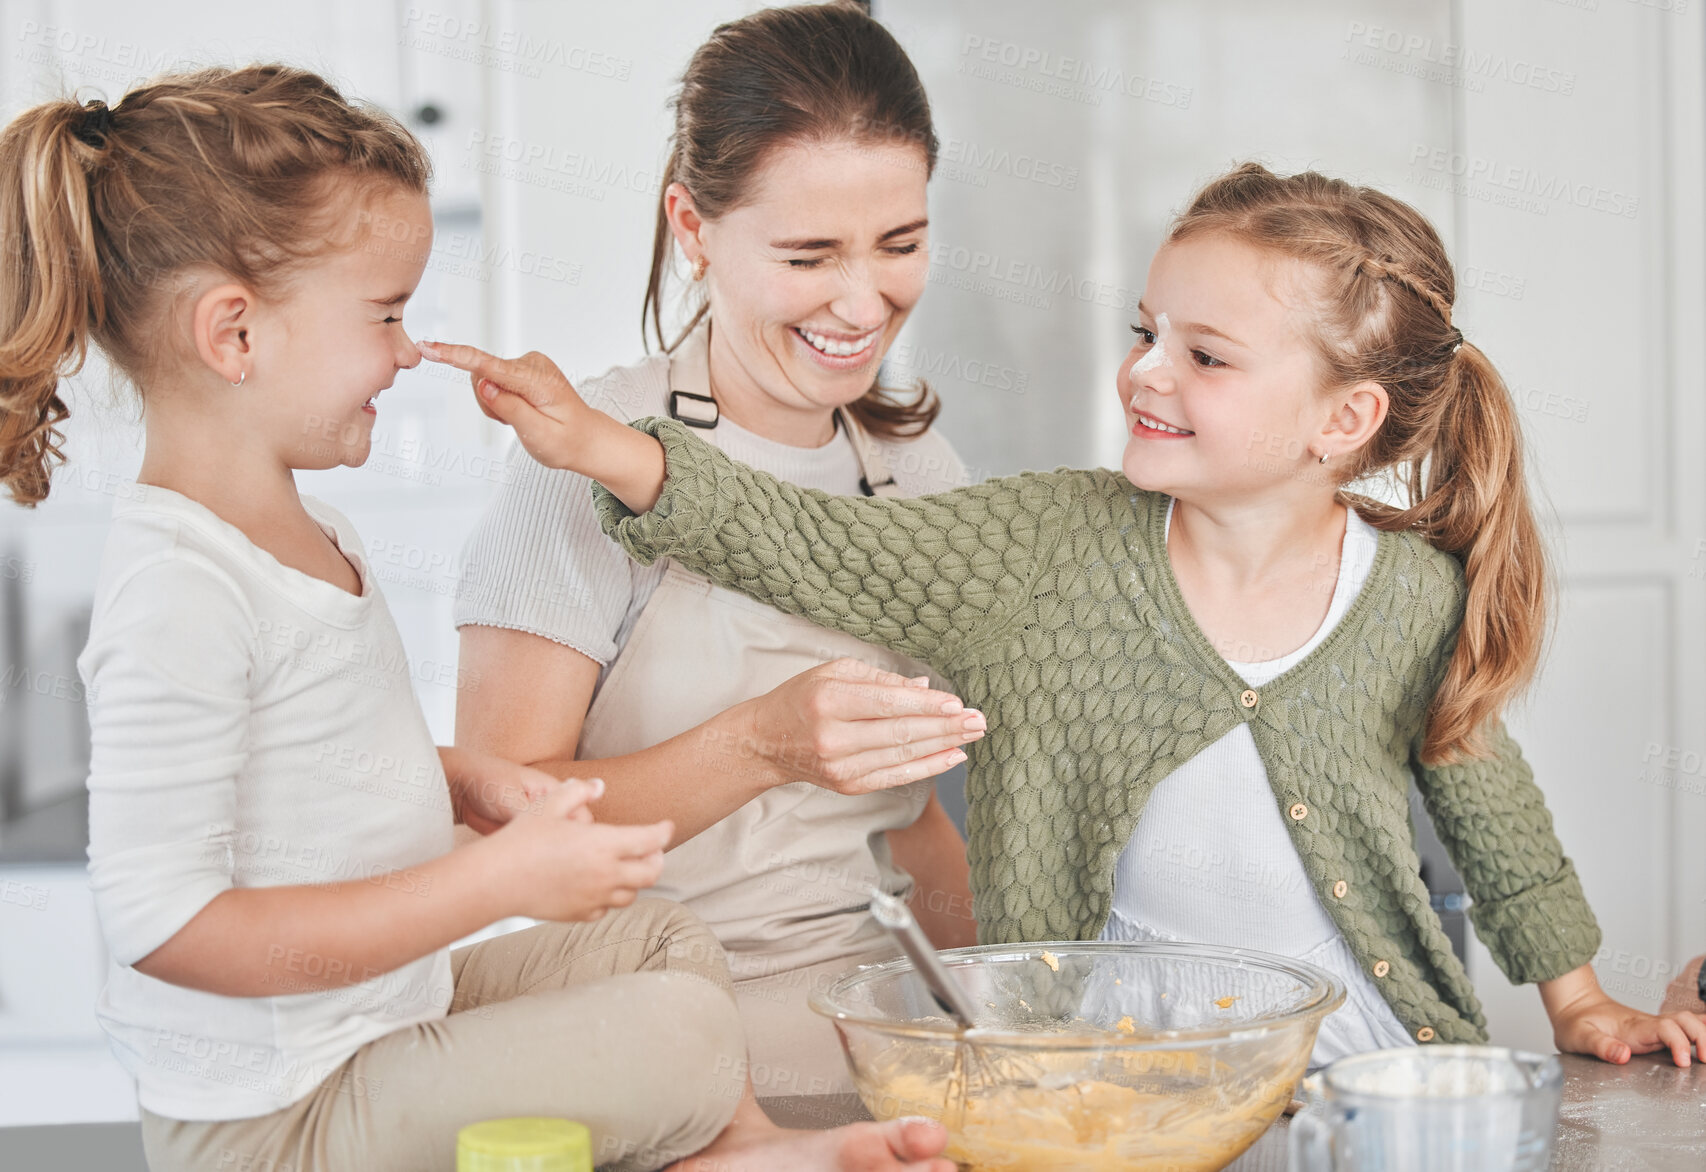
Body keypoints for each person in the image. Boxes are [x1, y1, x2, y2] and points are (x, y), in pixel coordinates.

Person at [424, 162, 1706, 1070]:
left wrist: (1579, 998)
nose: (1144, 370)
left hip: (1373, 1058)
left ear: (1341, 422)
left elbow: (1493, 813)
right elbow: (806, 540)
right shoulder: (1042, 545)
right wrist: (609, 447)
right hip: (1108, 1064)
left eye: (1205, 356)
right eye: (1147, 331)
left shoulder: (1412, 594)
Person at [0, 65, 952, 1172]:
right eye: (387, 314)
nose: (407, 350)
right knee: (682, 1029)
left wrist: (462, 781)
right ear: (234, 334)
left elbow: (325, 767)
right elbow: (165, 929)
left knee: (656, 941)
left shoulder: (319, 536)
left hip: (382, 1017)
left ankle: (736, 1150)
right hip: (274, 1110)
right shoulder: (180, 588)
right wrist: (487, 882)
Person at [454, 1, 981, 1095]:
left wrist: (994, 1013)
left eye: (900, 243)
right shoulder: (583, 463)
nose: (861, 298)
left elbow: (914, 820)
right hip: (660, 1034)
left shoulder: (919, 471)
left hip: (892, 1027)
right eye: (807, 254)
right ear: (692, 227)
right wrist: (759, 744)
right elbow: (489, 817)